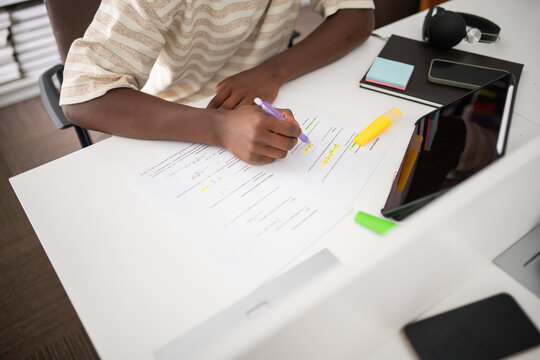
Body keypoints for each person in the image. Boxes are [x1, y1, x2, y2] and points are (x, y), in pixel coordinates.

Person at [60, 0, 375, 165]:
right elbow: (82, 95)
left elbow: (357, 15)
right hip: (174, 115)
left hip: (268, 87)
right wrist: (219, 127)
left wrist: (274, 71)